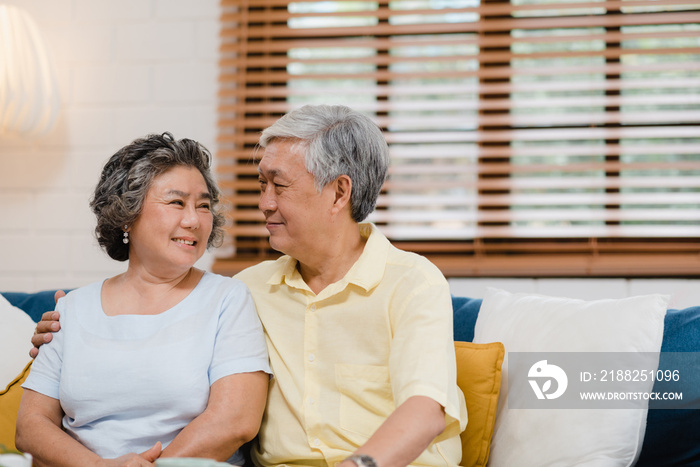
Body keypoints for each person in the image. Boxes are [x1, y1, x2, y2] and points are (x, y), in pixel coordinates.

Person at [32, 106, 467, 467]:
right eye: (262, 185)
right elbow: (158, 321)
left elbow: (425, 410)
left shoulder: (411, 281)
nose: (264, 203)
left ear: (339, 194)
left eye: (278, 185)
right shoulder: (250, 289)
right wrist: (61, 331)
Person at [18, 133, 271, 467]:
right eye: (177, 202)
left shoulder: (227, 299)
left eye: (204, 205)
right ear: (127, 214)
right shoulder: (72, 308)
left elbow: (235, 422)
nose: (194, 220)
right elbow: (31, 426)